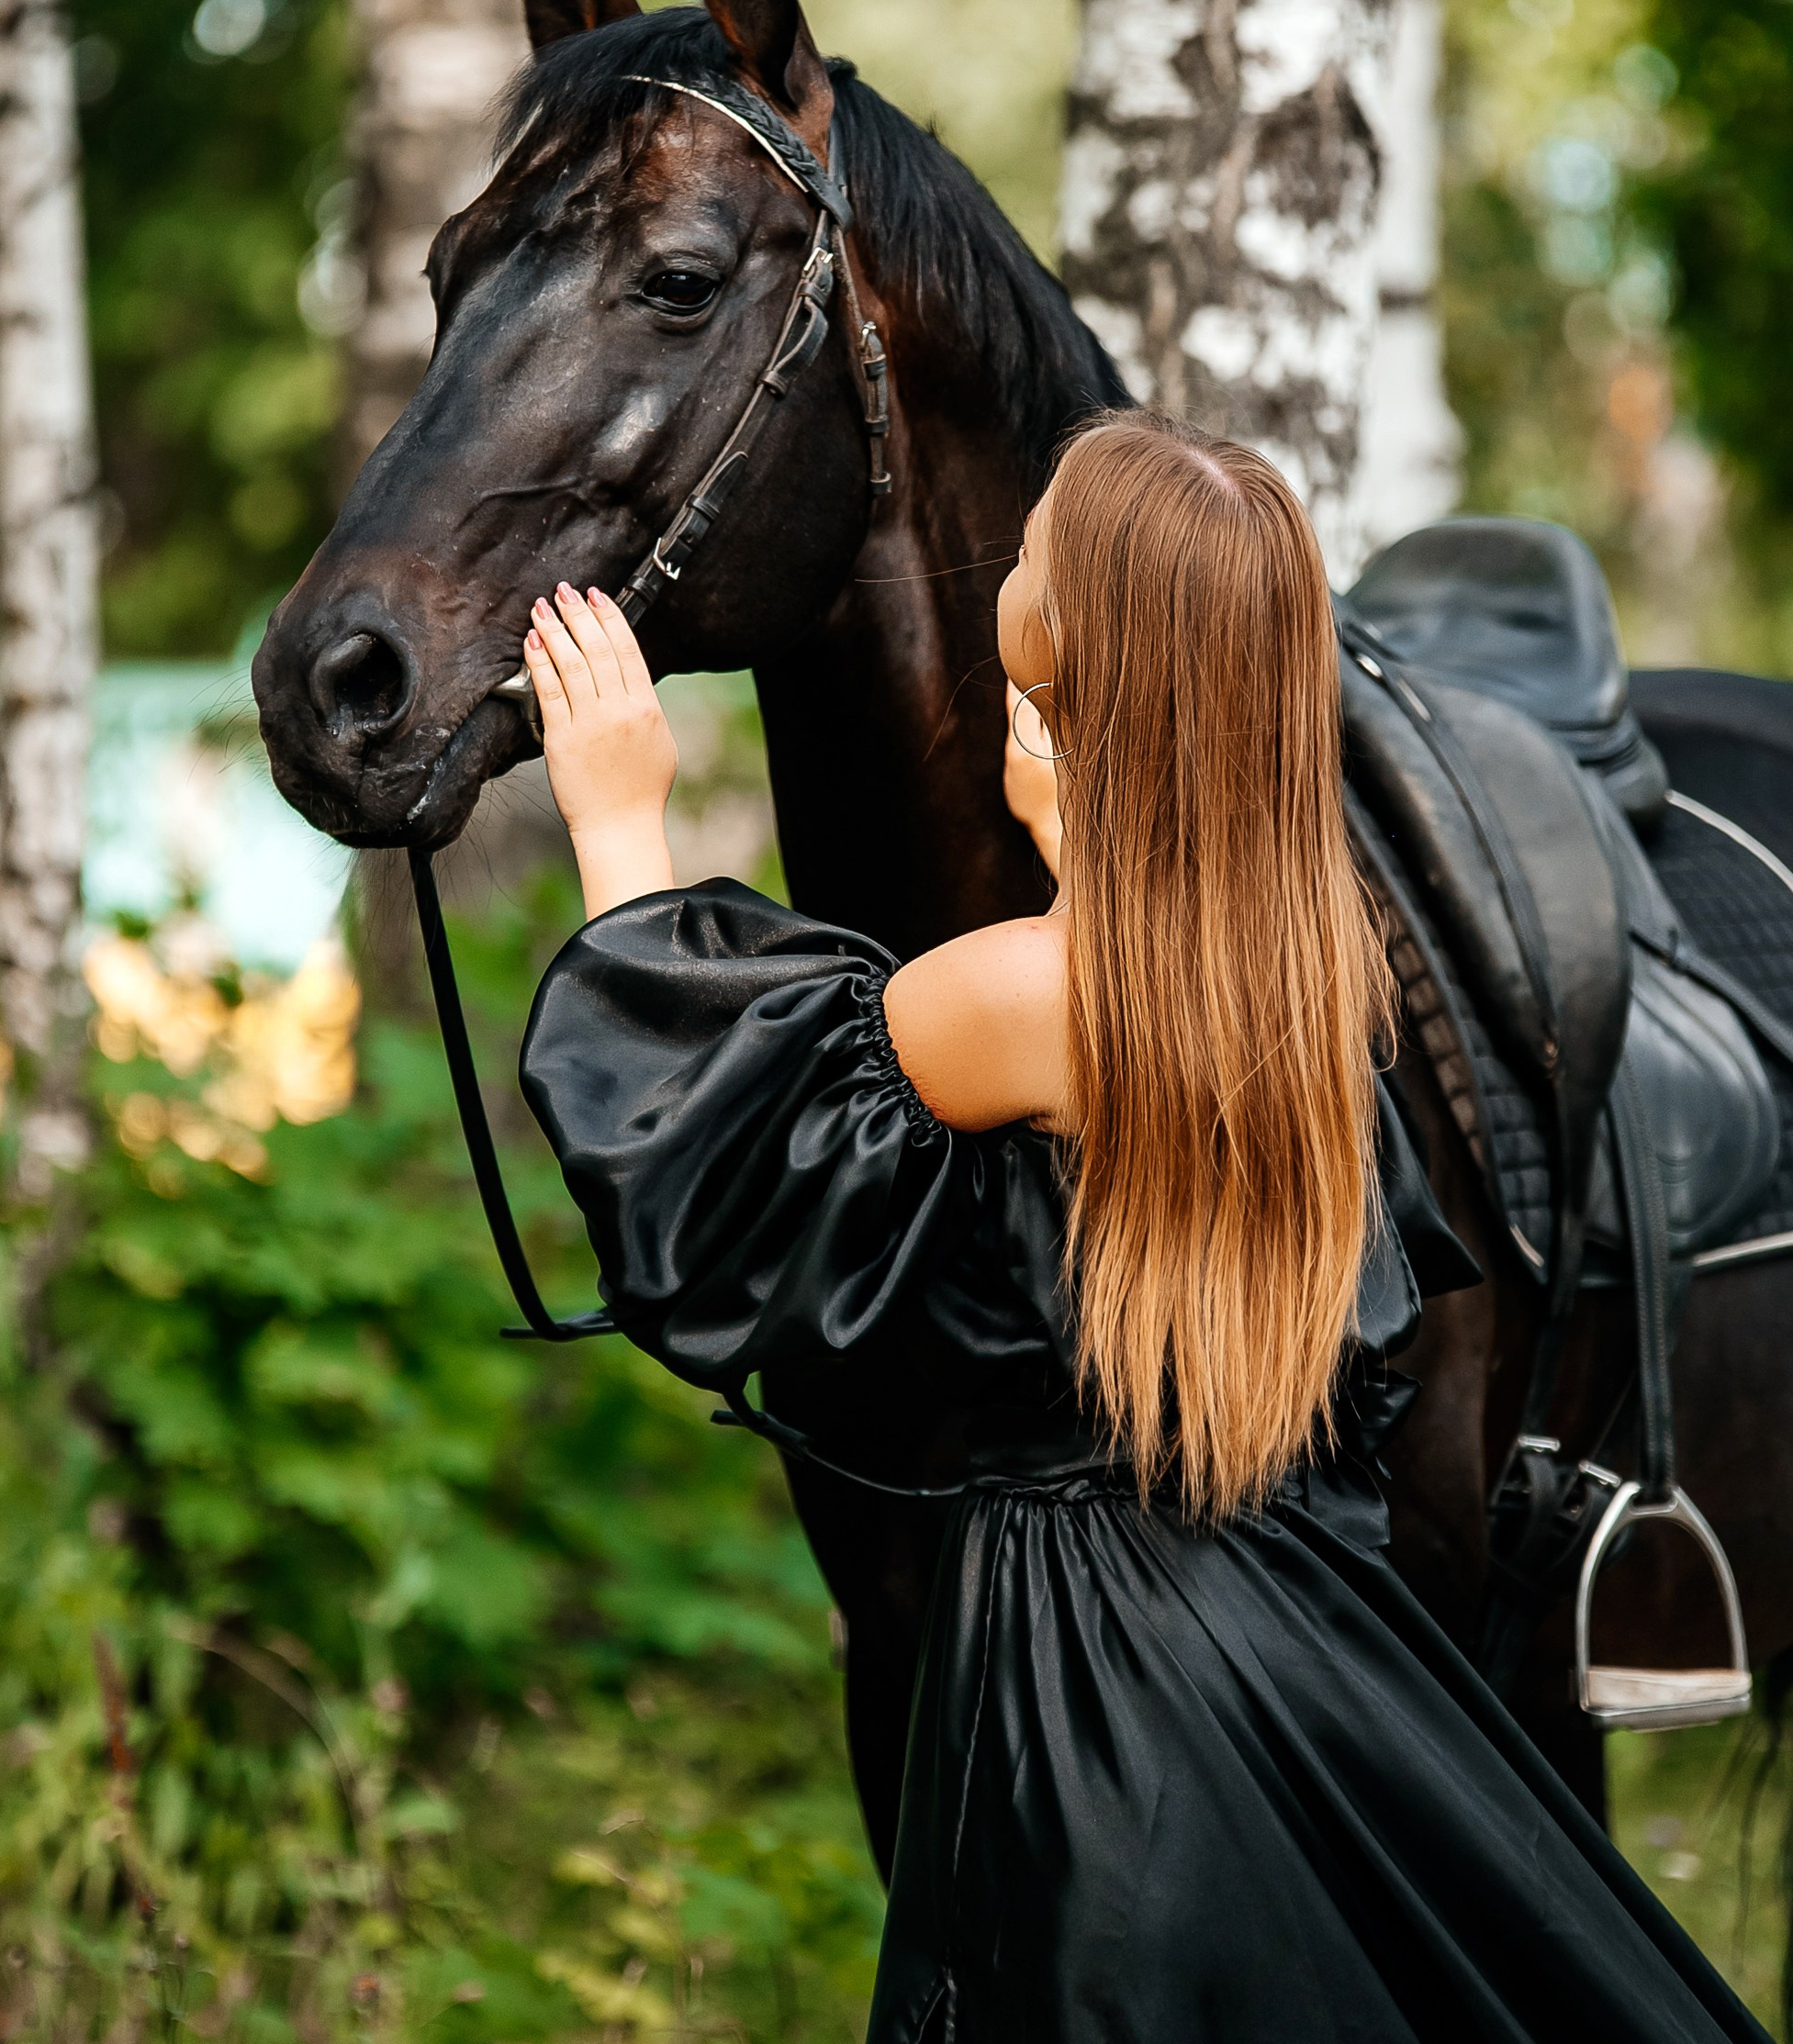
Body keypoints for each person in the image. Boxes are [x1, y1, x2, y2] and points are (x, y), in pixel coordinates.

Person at [517, 411, 1766, 2044]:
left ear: (1065, 647)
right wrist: (1067, 821)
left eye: (1035, 541)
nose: (1011, 548)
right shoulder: (1310, 973)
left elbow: (709, 1136)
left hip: (1091, 1677)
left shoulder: (1015, 997)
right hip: (1286, 1630)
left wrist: (618, 820)